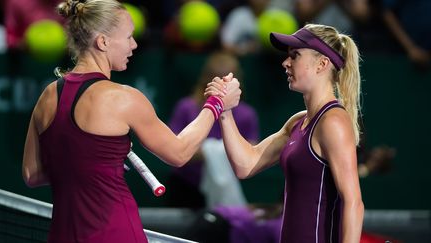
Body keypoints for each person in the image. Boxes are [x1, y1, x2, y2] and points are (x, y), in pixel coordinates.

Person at [21, 0, 241, 242]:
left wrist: (91, 164)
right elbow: (179, 153)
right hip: (116, 234)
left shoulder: (47, 96)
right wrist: (216, 102)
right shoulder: (124, 98)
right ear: (103, 42)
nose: (134, 45)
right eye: (128, 37)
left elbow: (32, 174)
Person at [206, 23, 364, 242]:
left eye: (295, 56)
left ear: (322, 64)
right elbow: (246, 165)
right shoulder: (297, 122)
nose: (285, 63)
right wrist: (225, 111)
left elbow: (353, 201)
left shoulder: (333, 122)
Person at [167, 51, 259, 209]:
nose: (223, 85)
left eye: (228, 81)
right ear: (206, 80)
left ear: (237, 82)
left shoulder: (246, 114)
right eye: (218, 80)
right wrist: (213, 150)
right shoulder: (186, 107)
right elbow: (172, 149)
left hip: (223, 187)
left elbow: (250, 154)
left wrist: (211, 150)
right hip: (186, 187)